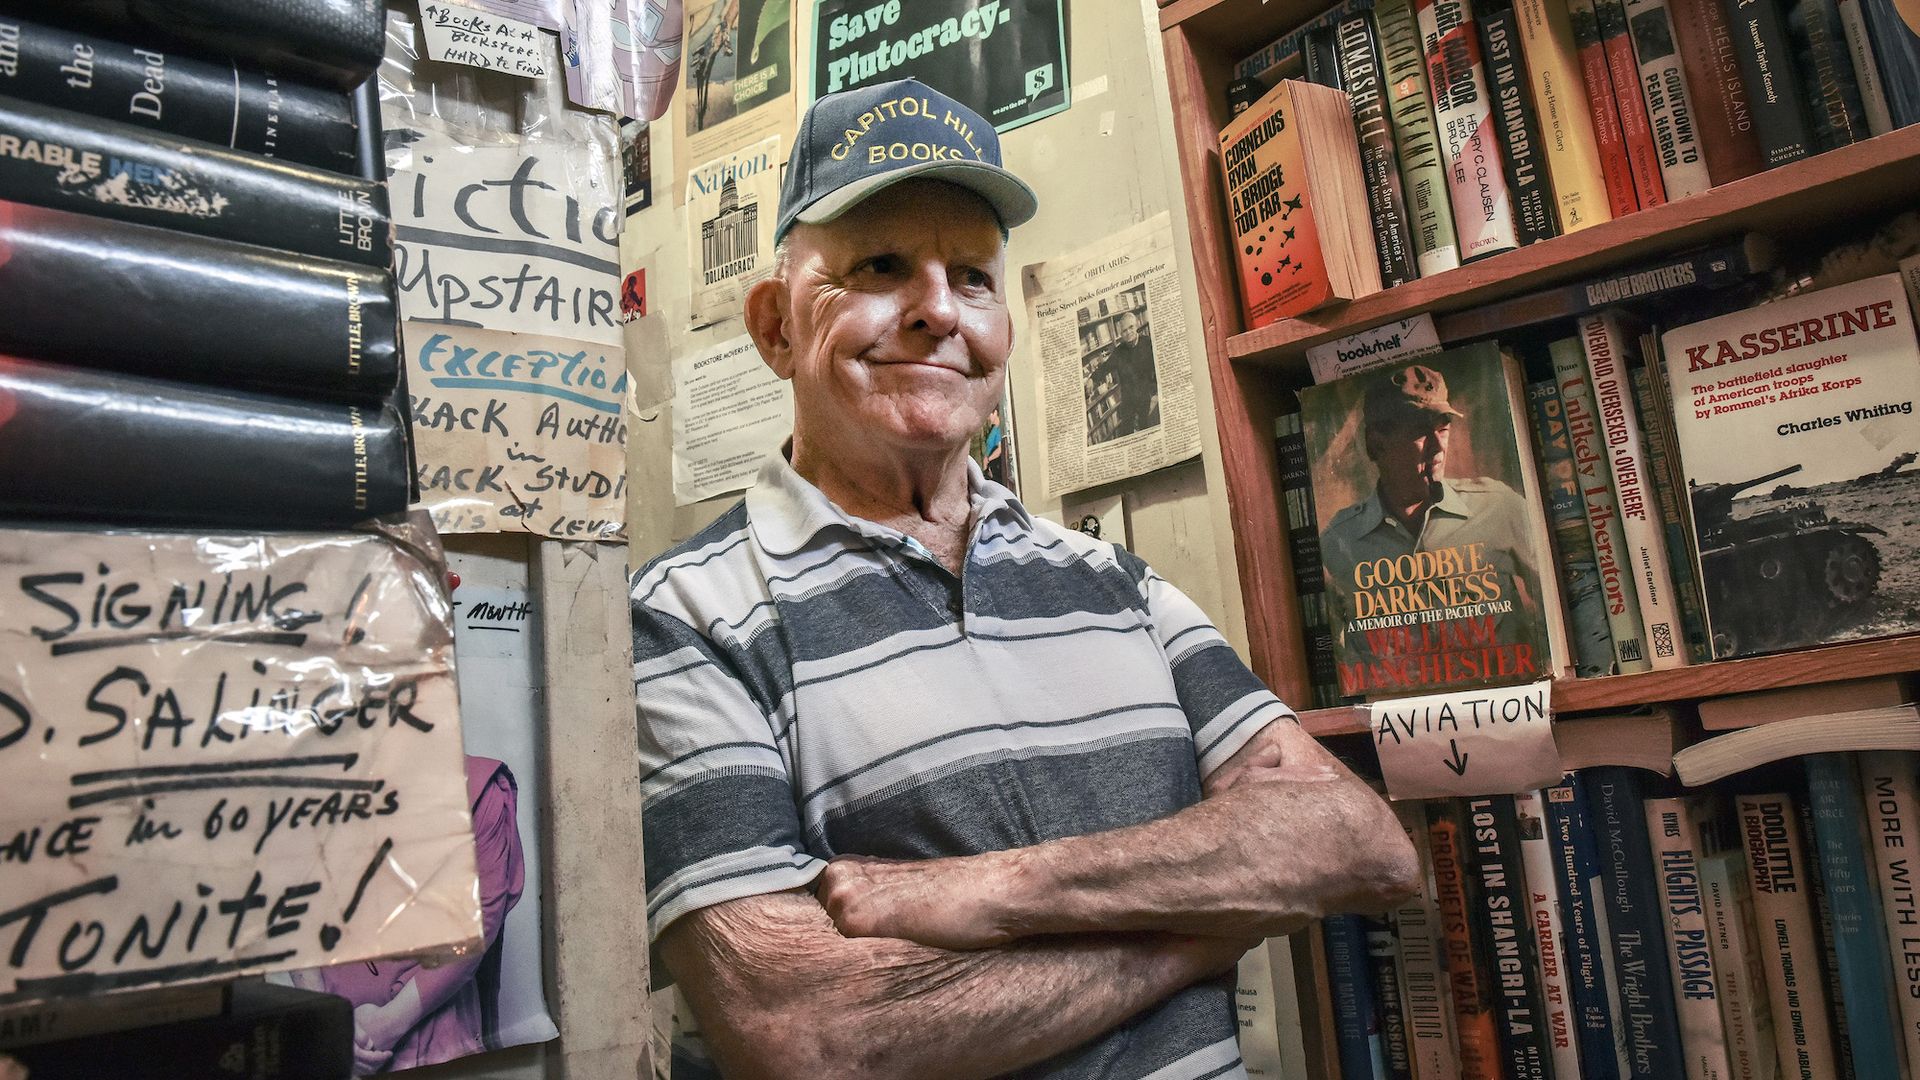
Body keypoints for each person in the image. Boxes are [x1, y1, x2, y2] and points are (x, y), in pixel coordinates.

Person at [630, 77, 1418, 1080]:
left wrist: (989, 893)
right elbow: (812, 1033)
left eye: (972, 275)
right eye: (879, 266)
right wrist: (1206, 922)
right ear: (776, 326)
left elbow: (1358, 843)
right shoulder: (683, 618)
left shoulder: (1114, 584)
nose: (936, 311)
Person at [1318, 364, 1546, 653]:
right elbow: (1342, 650)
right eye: (1420, 432)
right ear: (1375, 444)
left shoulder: (1499, 506)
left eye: (1443, 428)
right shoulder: (1340, 541)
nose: (1438, 447)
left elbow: (1558, 608)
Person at [1104, 308, 1159, 438]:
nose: (1128, 332)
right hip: (1128, 399)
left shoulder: (1148, 343)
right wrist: (1091, 379)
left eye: (1131, 327)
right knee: (1126, 432)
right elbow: (1105, 367)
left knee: (1145, 427)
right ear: (1120, 334)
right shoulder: (1118, 351)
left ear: (1137, 324)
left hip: (1146, 395)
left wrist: (1155, 394)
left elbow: (1158, 367)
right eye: (1124, 330)